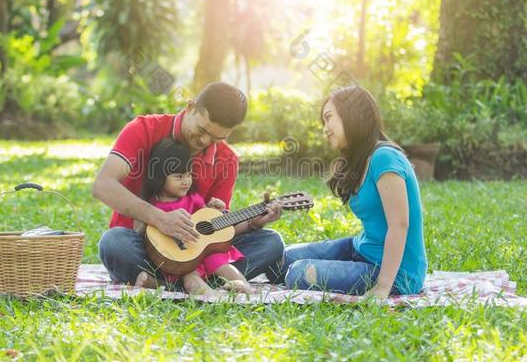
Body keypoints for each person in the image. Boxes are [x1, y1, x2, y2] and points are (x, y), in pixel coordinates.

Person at [94, 82, 285, 287]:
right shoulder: (143, 129)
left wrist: (254, 222)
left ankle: (163, 283)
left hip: (197, 255)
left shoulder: (227, 159)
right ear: (190, 107)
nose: (204, 141)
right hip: (143, 245)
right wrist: (159, 218)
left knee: (271, 243)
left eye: (216, 138)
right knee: (114, 242)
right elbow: (103, 186)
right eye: (202, 129)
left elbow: (216, 230)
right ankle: (194, 284)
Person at [282, 85, 428, 298]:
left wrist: (382, 287)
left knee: (298, 273)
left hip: (396, 273)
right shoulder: (360, 159)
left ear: (352, 115)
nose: (325, 128)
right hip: (361, 249)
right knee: (283, 257)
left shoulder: (385, 158)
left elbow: (400, 225)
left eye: (329, 117)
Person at [136, 138, 252, 294]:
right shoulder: (151, 206)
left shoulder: (194, 199)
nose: (186, 181)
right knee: (190, 277)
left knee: (221, 263)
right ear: (158, 177)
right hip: (175, 257)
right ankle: (211, 296)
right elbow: (138, 233)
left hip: (202, 249)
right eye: (178, 176)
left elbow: (204, 220)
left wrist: (213, 210)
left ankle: (243, 286)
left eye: (189, 174)